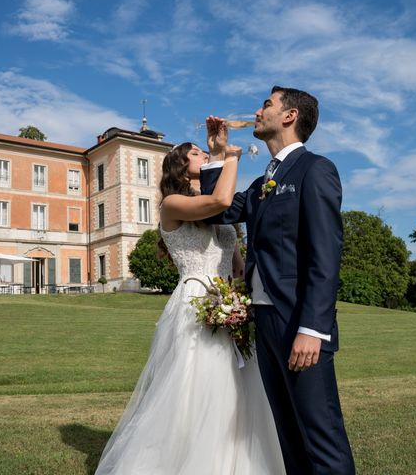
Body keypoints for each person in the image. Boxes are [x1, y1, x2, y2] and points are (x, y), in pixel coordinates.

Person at [94, 117, 285, 475]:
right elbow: (222, 198)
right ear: (181, 167)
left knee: (238, 384)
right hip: (195, 303)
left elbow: (236, 261)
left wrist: (239, 298)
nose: (201, 153)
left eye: (202, 151)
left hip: (228, 300)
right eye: (195, 153)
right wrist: (229, 156)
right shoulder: (172, 204)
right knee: (198, 385)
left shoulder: (219, 215)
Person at [200, 87, 356, 474]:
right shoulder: (260, 185)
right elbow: (215, 211)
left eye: (266, 104)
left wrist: (313, 329)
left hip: (298, 322)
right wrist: (217, 155)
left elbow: (325, 253)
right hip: (264, 322)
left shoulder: (315, 169)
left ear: (289, 116)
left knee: (321, 436)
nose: (257, 110)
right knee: (287, 434)